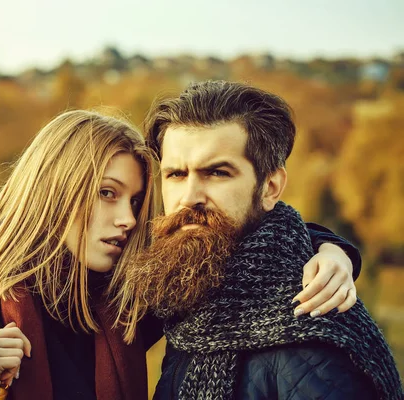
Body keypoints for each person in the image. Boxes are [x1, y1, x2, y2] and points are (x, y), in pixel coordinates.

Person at [0, 109, 362, 400]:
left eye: (134, 201)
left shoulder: (127, 306)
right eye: (107, 194)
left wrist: (330, 249)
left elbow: (233, 235)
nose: (127, 219)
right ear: (52, 190)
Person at [116, 81, 403, 399]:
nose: (189, 197)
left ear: (270, 187)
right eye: (176, 175)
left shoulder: (311, 332)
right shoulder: (186, 287)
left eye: (218, 173)